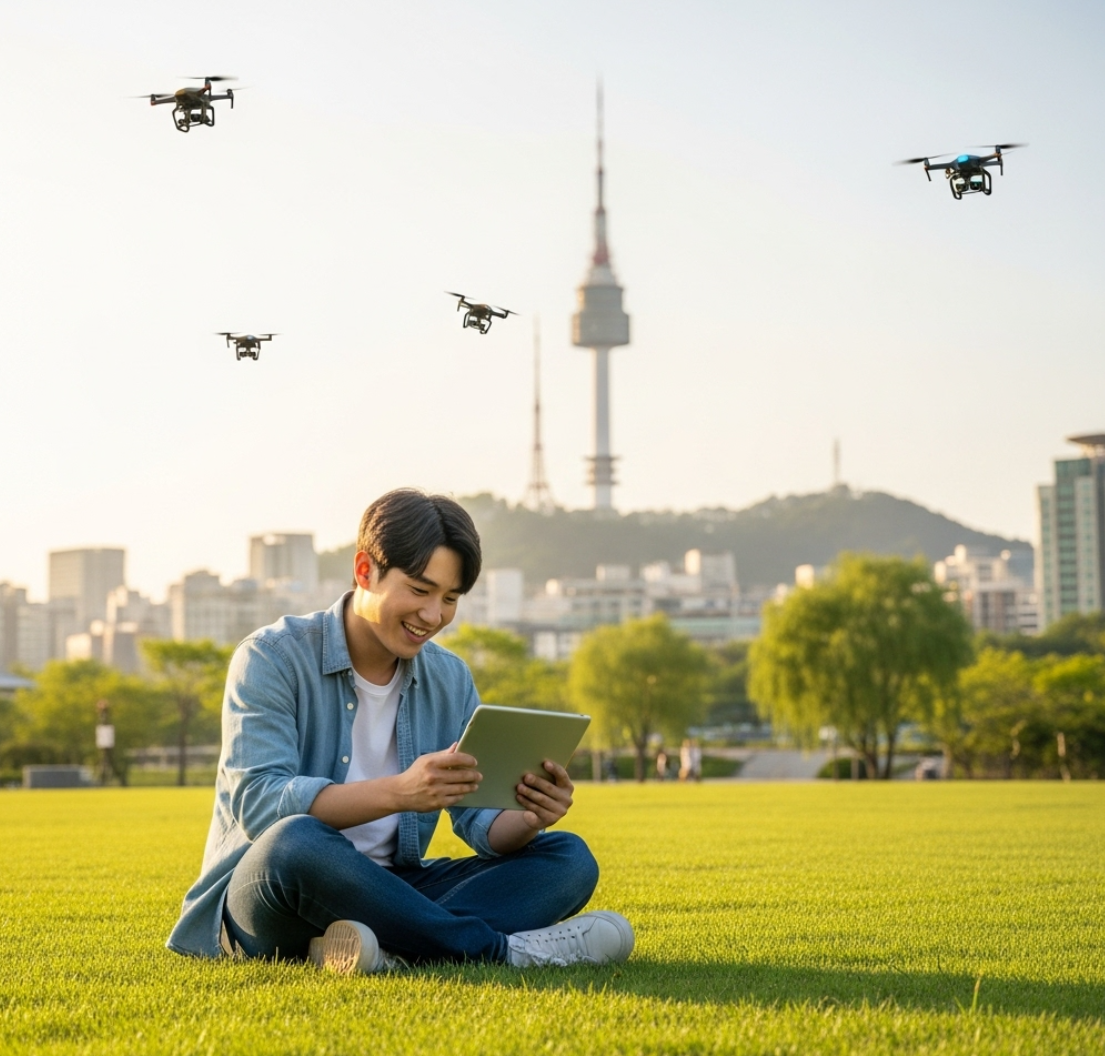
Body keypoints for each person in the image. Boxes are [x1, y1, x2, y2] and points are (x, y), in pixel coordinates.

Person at [167, 489, 633, 973]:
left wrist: (531, 815)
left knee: (568, 857)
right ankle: (501, 951)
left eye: (450, 599)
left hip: (393, 889)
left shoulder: (449, 679)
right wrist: (400, 792)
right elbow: (261, 806)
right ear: (365, 570)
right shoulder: (271, 657)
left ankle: (381, 948)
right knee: (296, 840)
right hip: (272, 895)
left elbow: (479, 823)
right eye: (419, 590)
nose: (433, 616)